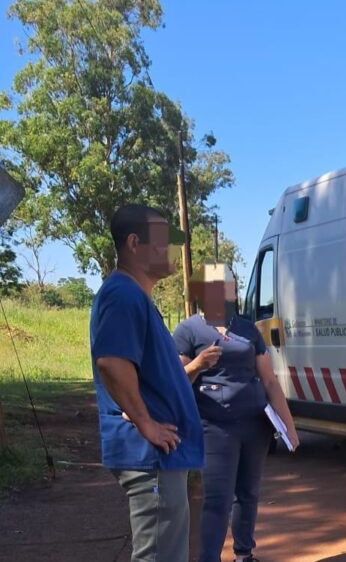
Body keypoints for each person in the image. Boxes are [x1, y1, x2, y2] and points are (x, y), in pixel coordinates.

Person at [90, 204, 204, 562]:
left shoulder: (134, 296)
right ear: (134, 243)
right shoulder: (123, 294)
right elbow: (111, 362)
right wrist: (145, 422)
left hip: (159, 456)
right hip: (149, 455)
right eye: (164, 239)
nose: (173, 248)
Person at [173, 263, 299, 562]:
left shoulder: (247, 329)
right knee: (218, 498)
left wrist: (289, 426)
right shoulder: (188, 330)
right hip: (214, 427)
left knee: (248, 493)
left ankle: (244, 554)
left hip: (255, 425)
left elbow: (269, 381)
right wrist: (198, 364)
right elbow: (176, 381)